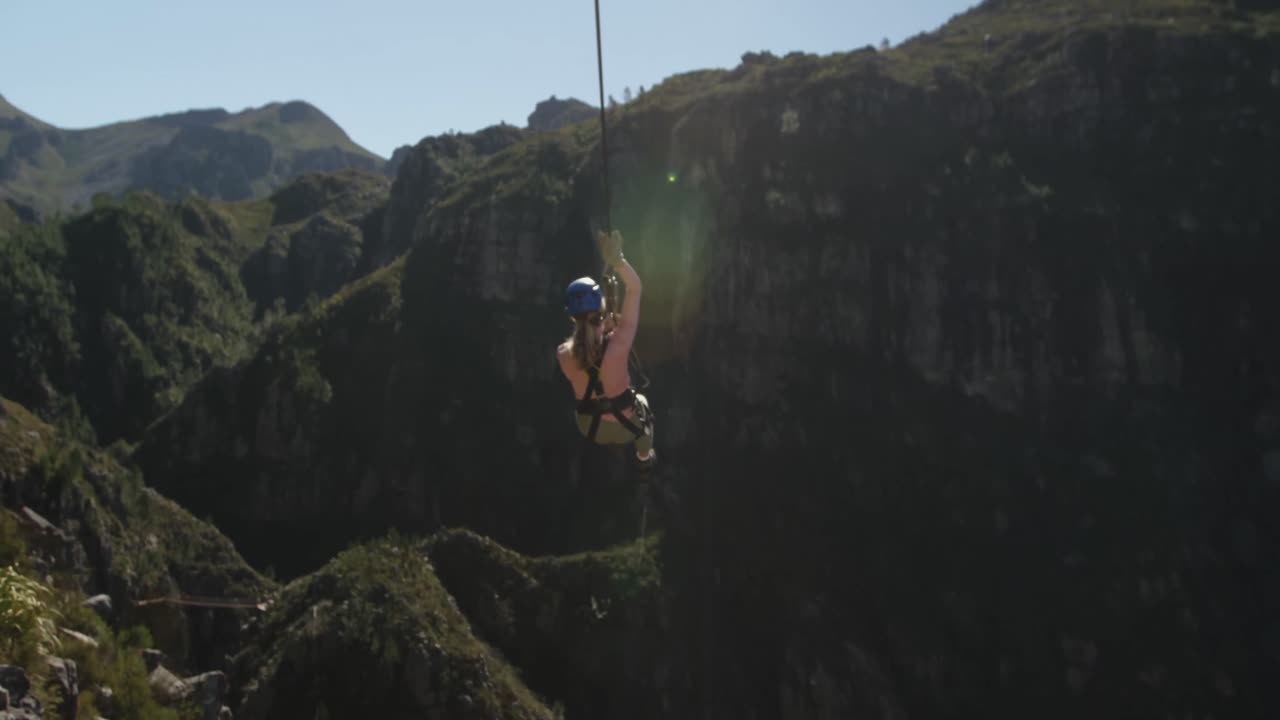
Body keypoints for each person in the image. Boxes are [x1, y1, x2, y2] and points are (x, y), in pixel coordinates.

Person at [557, 230, 656, 469]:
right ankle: (644, 457)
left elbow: (588, 350)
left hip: (589, 428)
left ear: (572, 316)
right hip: (625, 428)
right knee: (642, 403)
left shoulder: (563, 354)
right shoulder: (619, 343)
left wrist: (604, 330)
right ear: (601, 309)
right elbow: (634, 288)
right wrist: (617, 260)